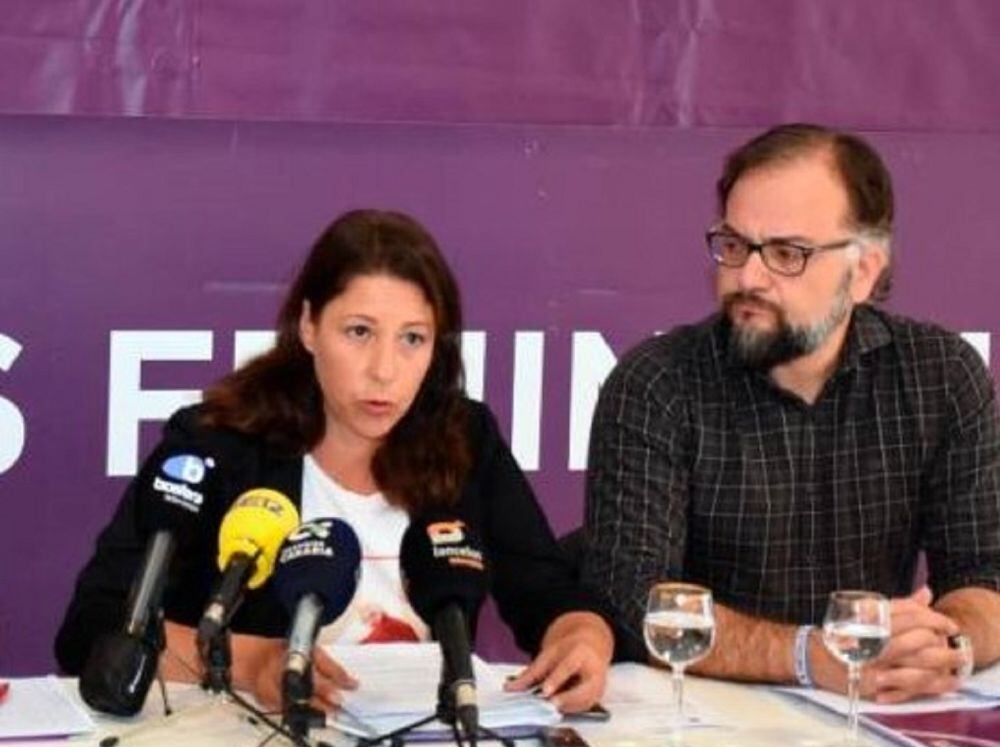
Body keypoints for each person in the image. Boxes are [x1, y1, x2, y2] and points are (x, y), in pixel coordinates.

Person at [57, 209, 614, 713]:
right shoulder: (219, 444)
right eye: (359, 332)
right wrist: (250, 664)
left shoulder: (465, 437)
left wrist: (583, 635)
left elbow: (548, 594)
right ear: (308, 327)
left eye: (412, 339)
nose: (384, 370)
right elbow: (93, 628)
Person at [582, 124, 1000, 703]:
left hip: (874, 718)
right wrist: (808, 657)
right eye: (733, 245)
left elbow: (994, 578)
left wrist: (949, 647)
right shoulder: (658, 383)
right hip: (700, 718)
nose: (747, 277)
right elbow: (630, 600)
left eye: (785, 254)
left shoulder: (940, 375)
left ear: (865, 271)